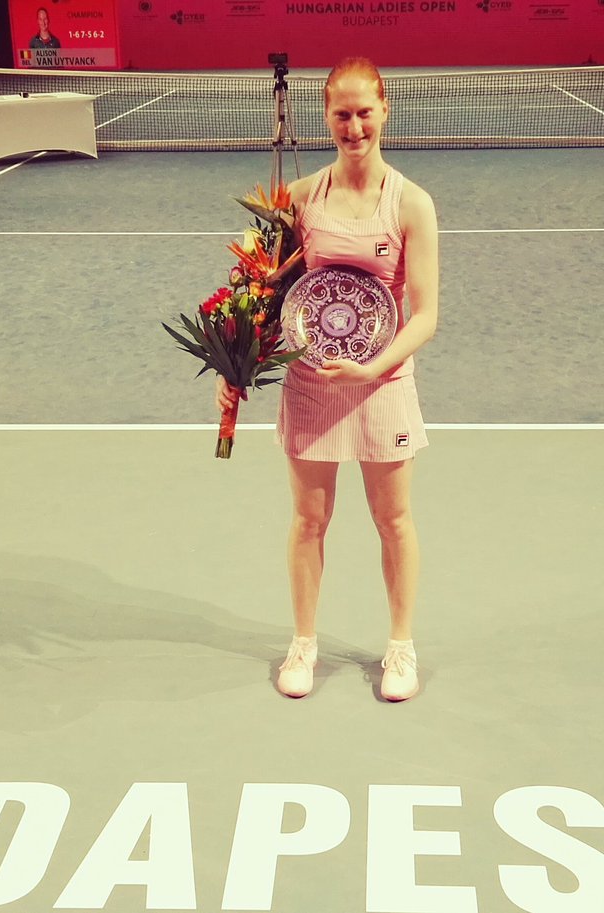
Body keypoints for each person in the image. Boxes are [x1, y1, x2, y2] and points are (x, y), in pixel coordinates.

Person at [216, 57, 439, 702]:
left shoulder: (412, 204)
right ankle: (304, 644)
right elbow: (260, 294)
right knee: (309, 519)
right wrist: (234, 365)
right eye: (342, 114)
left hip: (383, 383)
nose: (354, 126)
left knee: (393, 520)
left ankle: (401, 648)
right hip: (312, 385)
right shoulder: (299, 199)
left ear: (385, 110)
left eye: (365, 112)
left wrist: (371, 367)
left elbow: (426, 315)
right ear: (326, 116)